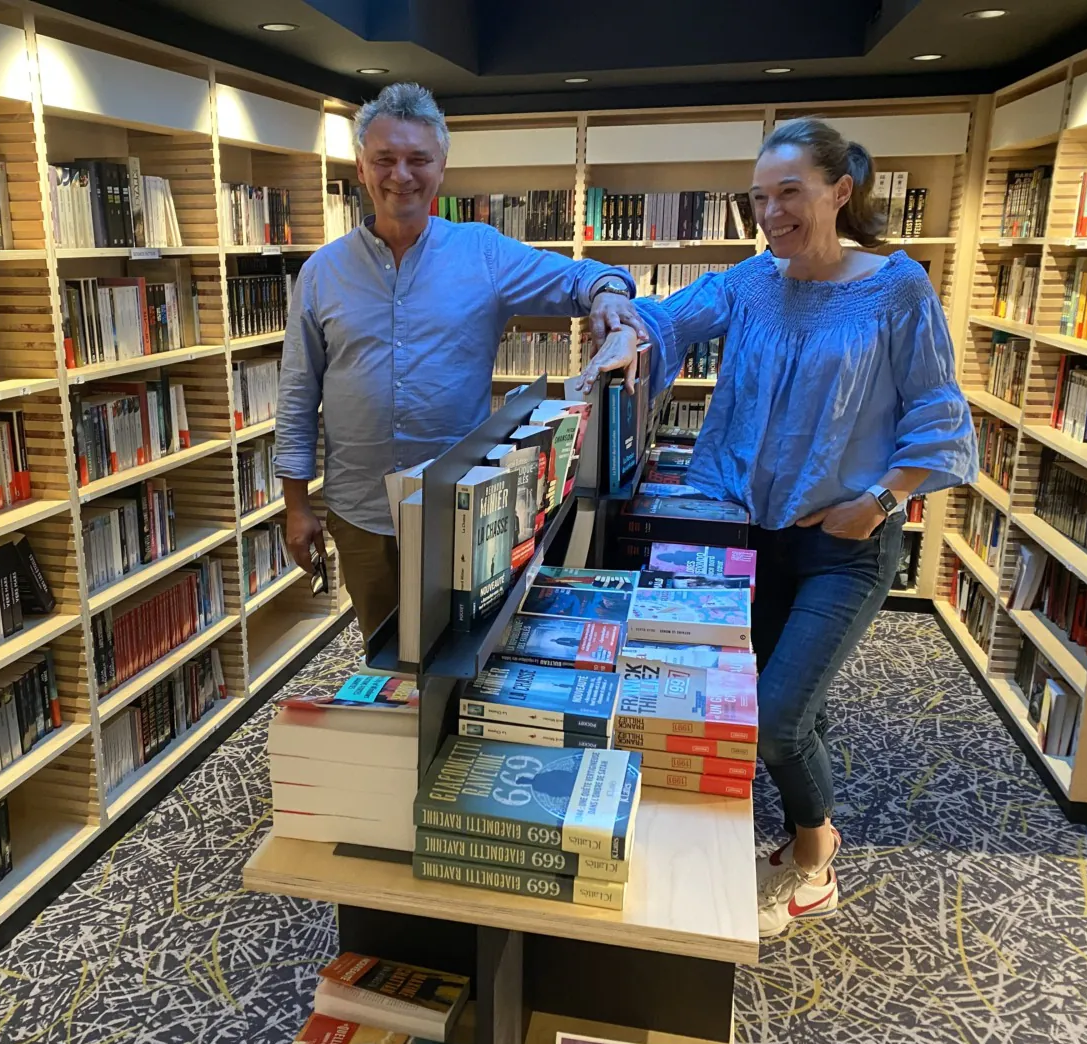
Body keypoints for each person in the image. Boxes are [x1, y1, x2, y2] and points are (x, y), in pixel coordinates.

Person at [585, 117, 978, 938]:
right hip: (752, 537)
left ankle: (813, 858)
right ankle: (803, 831)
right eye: (759, 198)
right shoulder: (753, 280)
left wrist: (875, 502)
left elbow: (940, 419)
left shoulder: (898, 288)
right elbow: (670, 319)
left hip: (846, 546)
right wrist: (622, 333)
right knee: (787, 702)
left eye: (788, 194)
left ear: (839, 192)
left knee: (777, 715)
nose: (770, 213)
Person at [274, 82, 646, 643]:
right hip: (360, 509)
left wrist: (610, 293)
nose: (401, 174)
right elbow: (298, 394)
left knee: (460, 652)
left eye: (418, 159)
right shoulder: (322, 273)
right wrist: (296, 507)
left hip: (461, 508)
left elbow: (580, 277)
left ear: (441, 167)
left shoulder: (484, 253)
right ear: (361, 168)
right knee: (384, 652)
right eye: (385, 159)